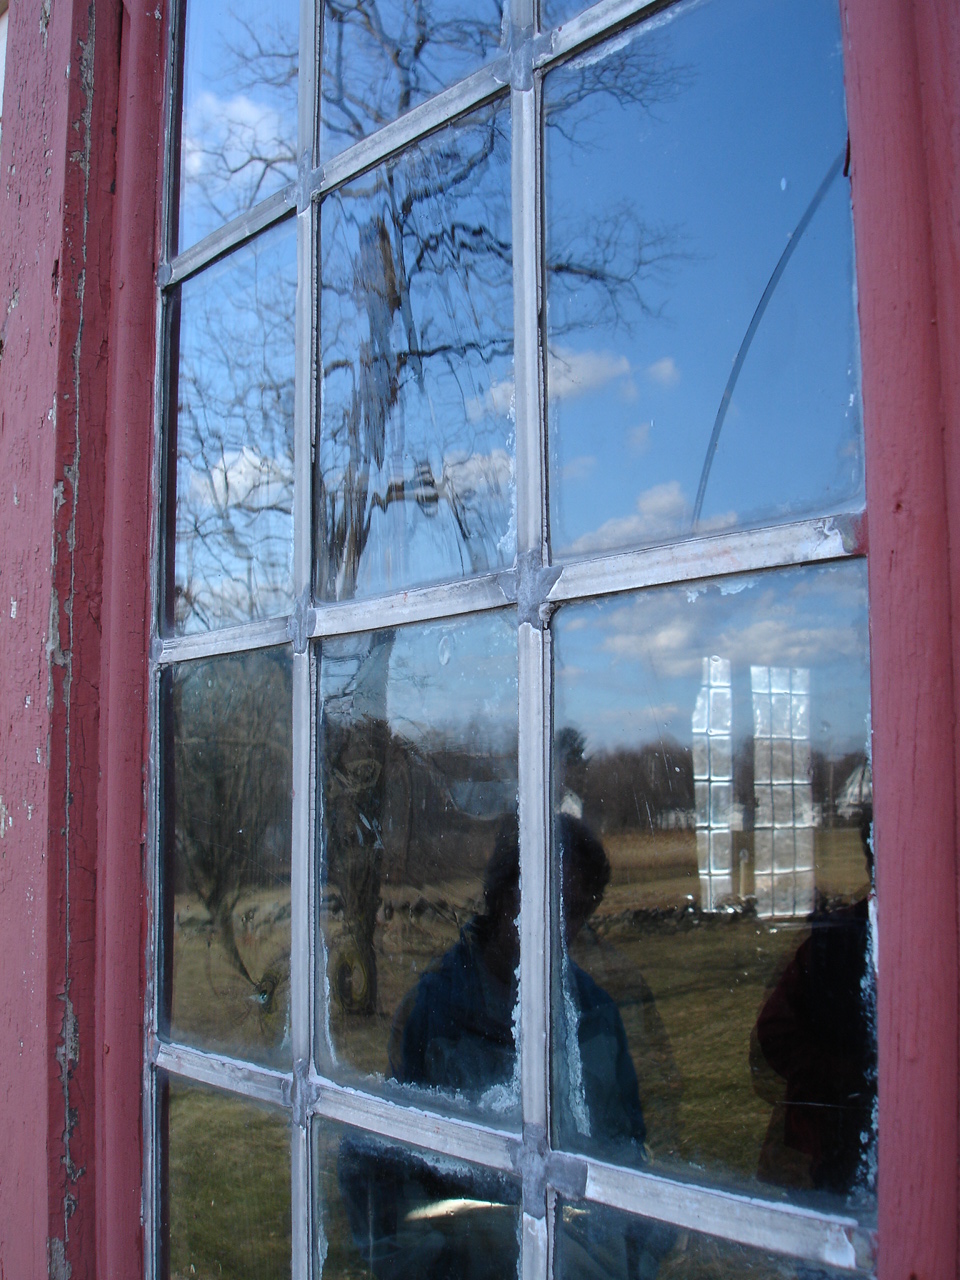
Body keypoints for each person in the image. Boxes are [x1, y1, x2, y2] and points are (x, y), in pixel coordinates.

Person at [338, 814, 671, 1278]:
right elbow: (391, 1174)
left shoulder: (595, 1015)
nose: (560, 927)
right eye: (548, 901)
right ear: (507, 893)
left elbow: (630, 1154)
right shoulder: (437, 1010)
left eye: (575, 912)